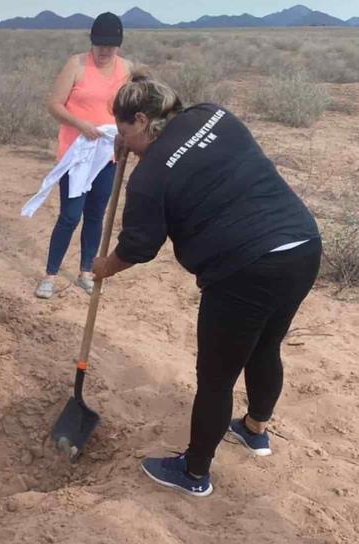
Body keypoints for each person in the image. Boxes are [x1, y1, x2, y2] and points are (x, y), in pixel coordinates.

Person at [92, 71, 321, 497]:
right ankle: (255, 430)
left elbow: (140, 246)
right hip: (302, 244)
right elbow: (196, 163)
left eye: (122, 131)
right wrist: (143, 154)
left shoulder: (148, 178)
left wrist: (105, 266)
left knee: (215, 378)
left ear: (141, 120)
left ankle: (194, 473)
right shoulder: (212, 114)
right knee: (266, 345)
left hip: (245, 270)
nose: (120, 141)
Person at [35, 12, 131, 299]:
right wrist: (80, 125)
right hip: (75, 153)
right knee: (70, 215)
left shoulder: (126, 68)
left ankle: (86, 272)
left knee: (96, 215)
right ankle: (50, 276)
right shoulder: (76, 64)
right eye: (99, 45)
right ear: (92, 42)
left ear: (119, 45)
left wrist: (124, 137)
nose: (104, 52)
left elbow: (127, 110)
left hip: (107, 155)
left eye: (110, 47)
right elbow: (53, 104)